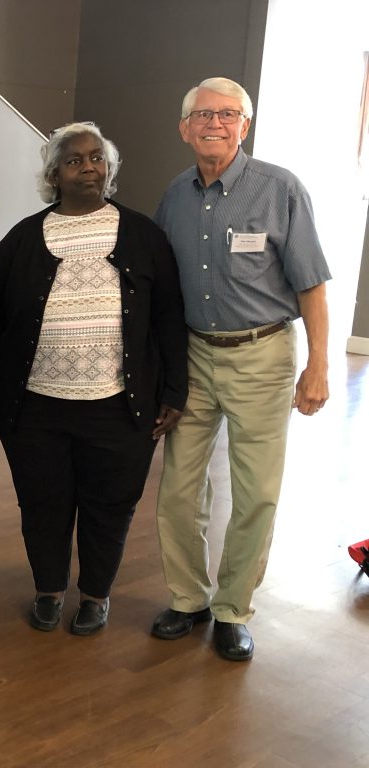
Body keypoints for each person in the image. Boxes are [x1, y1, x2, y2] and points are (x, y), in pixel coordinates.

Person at [0, 122, 188, 635]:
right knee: (43, 503)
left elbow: (170, 319)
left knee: (108, 506)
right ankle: (48, 589)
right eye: (74, 160)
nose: (88, 167)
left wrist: (174, 390)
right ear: (54, 175)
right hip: (35, 407)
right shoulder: (24, 238)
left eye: (96, 158)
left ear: (108, 169)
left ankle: (95, 594)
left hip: (118, 405)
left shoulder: (144, 236)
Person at [150, 77, 331, 661]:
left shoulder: (280, 190)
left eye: (228, 115)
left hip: (263, 355)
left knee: (256, 494)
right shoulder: (174, 196)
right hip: (195, 356)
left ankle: (233, 608)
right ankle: (188, 598)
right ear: (184, 128)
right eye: (203, 114)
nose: (215, 124)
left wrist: (319, 366)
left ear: (244, 126)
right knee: (179, 489)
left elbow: (312, 286)